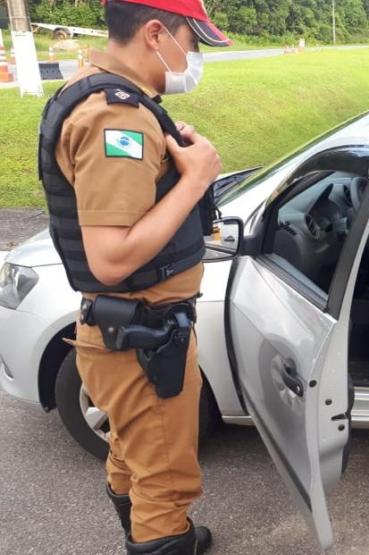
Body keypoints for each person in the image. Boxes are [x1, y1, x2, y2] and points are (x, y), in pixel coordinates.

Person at [36, 0, 230, 553]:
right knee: (165, 480)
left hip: (132, 333)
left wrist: (175, 165)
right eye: (192, 43)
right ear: (154, 34)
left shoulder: (107, 94)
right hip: (143, 338)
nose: (192, 58)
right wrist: (196, 181)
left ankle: (150, 530)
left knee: (134, 452)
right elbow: (111, 257)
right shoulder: (115, 117)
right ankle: (163, 539)